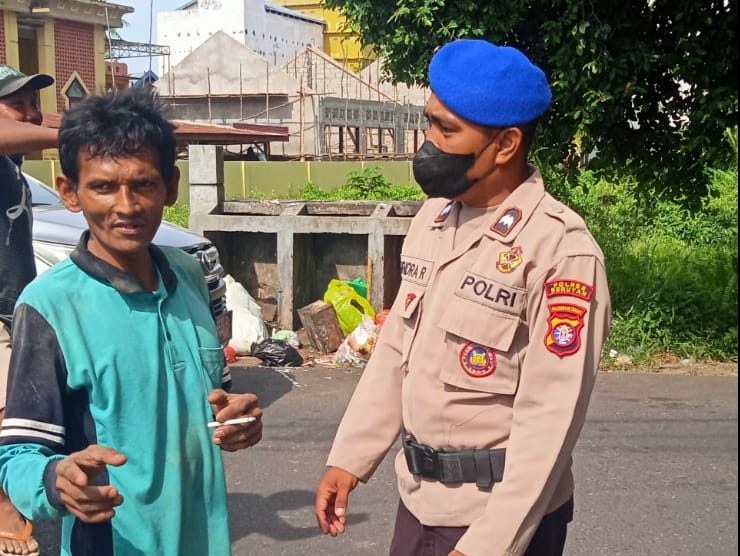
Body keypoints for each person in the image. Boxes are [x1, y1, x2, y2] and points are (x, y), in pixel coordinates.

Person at [314, 39, 612, 556]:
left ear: (506, 144)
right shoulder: (433, 218)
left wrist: (488, 546)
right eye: (429, 122)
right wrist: (349, 458)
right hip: (418, 505)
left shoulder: (560, 251)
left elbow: (551, 419)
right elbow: (395, 352)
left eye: (447, 130)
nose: (428, 142)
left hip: (499, 520)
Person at [0, 87, 263, 556]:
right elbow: (18, 454)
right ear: (70, 192)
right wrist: (56, 479)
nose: (126, 205)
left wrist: (238, 418)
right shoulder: (50, 305)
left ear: (171, 186)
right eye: (103, 187)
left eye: (143, 184)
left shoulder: (188, 275)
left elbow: (215, 400)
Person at [0, 63, 57, 556]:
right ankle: (4, 507)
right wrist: (86, 134)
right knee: (6, 413)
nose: (31, 114)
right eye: (16, 104)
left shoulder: (11, 166)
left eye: (34, 103)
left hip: (13, 304)